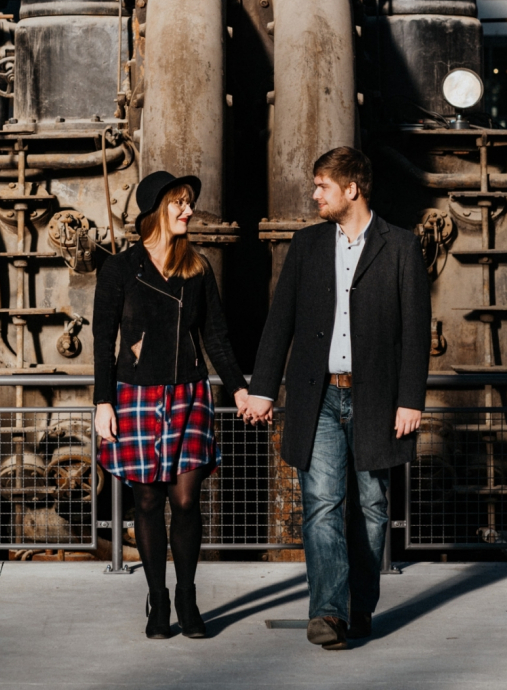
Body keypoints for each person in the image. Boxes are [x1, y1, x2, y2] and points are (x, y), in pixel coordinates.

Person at [239, 146, 431, 651]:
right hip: (318, 396)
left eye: (323, 185)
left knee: (371, 507)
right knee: (322, 504)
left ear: (353, 189)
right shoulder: (307, 246)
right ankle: (328, 612)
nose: (314, 193)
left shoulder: (401, 247)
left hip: (378, 400)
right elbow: (280, 322)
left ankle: (358, 607)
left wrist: (411, 399)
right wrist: (262, 389)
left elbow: (415, 331)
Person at [93, 170, 249, 640]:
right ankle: (157, 599)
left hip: (188, 394)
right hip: (136, 394)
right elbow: (104, 341)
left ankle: (186, 594)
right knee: (146, 498)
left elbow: (216, 337)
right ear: (155, 211)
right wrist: (103, 401)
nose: (188, 210)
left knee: (184, 499)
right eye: (179, 203)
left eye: (188, 203)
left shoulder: (197, 268)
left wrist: (239, 388)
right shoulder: (120, 269)